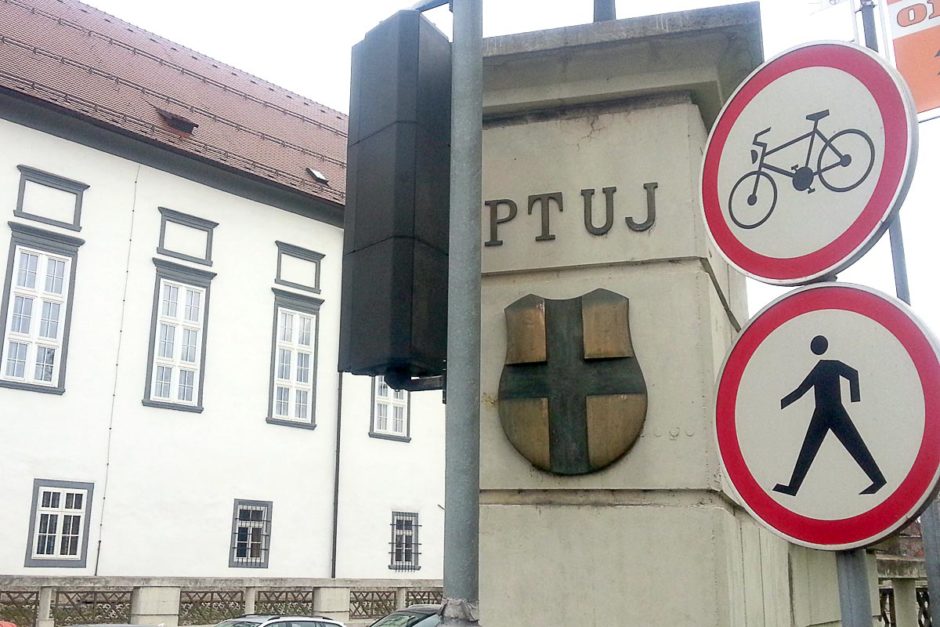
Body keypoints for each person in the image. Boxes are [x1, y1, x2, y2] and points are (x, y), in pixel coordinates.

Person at [773, 335, 886, 496]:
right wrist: (781, 403)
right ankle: (793, 487)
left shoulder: (826, 366)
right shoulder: (822, 367)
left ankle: (878, 480)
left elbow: (852, 374)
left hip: (834, 411)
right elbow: (801, 390)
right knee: (809, 449)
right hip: (822, 412)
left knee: (855, 446)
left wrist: (855, 398)